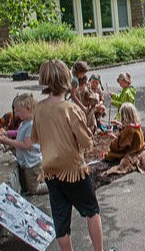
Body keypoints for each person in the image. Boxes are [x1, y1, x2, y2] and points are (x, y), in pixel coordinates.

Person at [31, 59, 103, 251]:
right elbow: (86, 142)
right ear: (66, 80)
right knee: (92, 210)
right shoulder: (70, 109)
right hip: (73, 170)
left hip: (50, 171)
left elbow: (36, 137)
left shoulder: (38, 107)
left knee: (61, 222)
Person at [0, 93, 48, 195]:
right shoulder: (25, 122)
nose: (16, 113)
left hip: (32, 164)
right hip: (27, 163)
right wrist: (9, 145)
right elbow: (20, 136)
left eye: (18, 110)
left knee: (34, 189)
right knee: (30, 184)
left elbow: (26, 145)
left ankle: (53, 186)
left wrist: (6, 140)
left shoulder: (31, 125)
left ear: (28, 109)